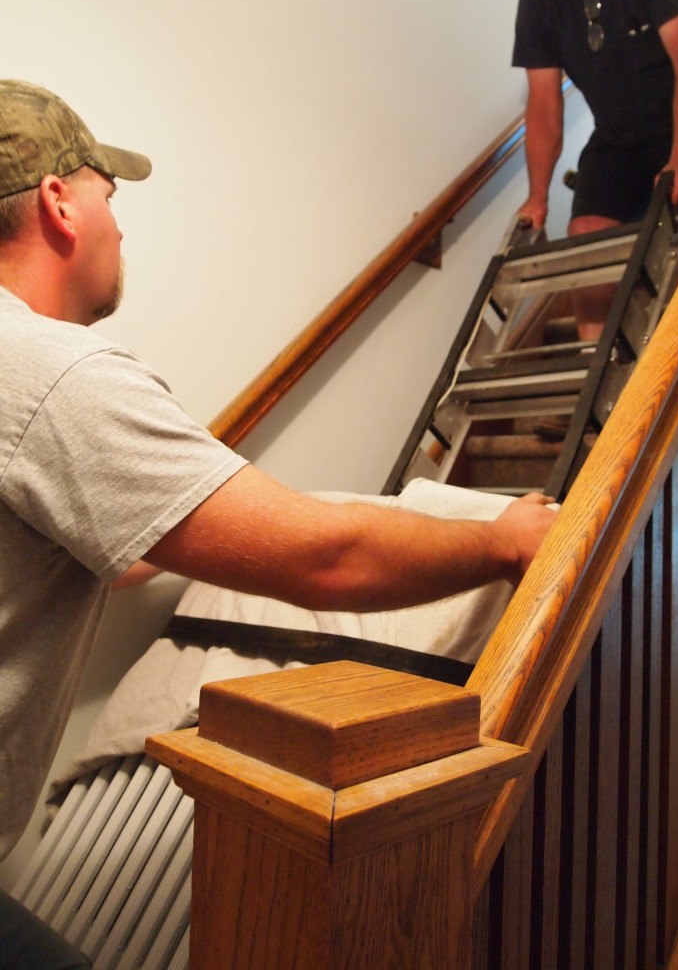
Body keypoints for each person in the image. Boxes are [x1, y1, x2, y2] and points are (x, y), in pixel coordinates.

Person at [0, 79, 558, 968]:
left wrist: (221, 513)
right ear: (60, 202)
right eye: (110, 194)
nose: (120, 223)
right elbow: (327, 561)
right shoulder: (49, 372)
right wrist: (504, 539)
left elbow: (91, 541)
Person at [512, 0, 678, 343]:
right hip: (618, 138)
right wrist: (537, 197)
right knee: (586, 241)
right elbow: (543, 107)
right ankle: (602, 385)